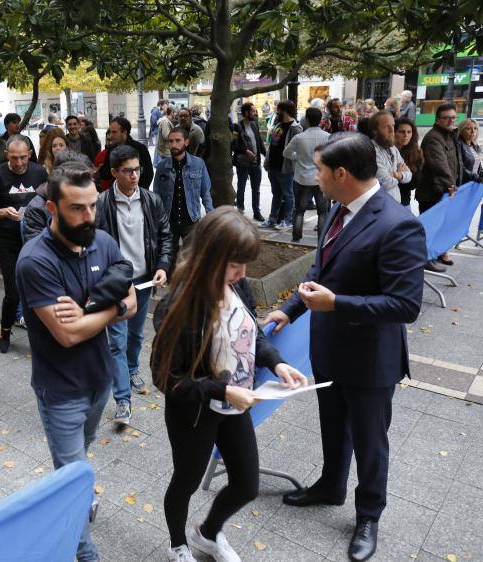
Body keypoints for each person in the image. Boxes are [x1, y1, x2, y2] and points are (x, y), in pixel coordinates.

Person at [264, 133, 426, 562]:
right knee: (333, 425)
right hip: (330, 349)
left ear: (341, 174)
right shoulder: (338, 209)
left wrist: (337, 304)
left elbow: (406, 305)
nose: (313, 177)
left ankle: (368, 514)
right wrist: (291, 309)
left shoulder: (398, 224)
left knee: (371, 442)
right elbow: (322, 271)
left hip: (372, 359)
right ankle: (330, 486)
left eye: (318, 169)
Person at [152, 207, 307, 562]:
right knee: (187, 482)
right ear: (211, 256)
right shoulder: (178, 305)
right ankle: (178, 544)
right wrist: (222, 390)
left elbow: (250, 335)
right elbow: (168, 379)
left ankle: (207, 534)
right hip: (194, 413)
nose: (243, 274)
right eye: (236, 264)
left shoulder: (237, 285)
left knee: (246, 485)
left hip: (234, 406)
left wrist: (277, 363)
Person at [16, 162, 137, 562]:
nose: (89, 217)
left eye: (92, 206)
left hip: (100, 381)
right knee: (71, 480)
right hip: (62, 393)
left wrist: (93, 313)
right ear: (52, 208)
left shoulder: (100, 240)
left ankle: (75, 498)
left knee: (78, 459)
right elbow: (67, 334)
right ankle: (85, 552)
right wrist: (112, 309)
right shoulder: (36, 261)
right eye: (77, 209)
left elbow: (132, 297)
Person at [97, 144, 172, 424]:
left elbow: (165, 235)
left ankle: (131, 368)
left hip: (143, 281)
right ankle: (123, 400)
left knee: (137, 335)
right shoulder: (102, 203)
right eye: (127, 171)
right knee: (116, 340)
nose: (134, 175)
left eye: (137, 169)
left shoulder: (151, 201)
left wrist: (163, 266)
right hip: (116, 284)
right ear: (114, 172)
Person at [0, 134, 48, 352]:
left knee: (39, 287)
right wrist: (3, 212)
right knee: (14, 290)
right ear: (6, 155)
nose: (19, 163)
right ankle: (6, 329)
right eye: (14, 158)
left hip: (34, 239)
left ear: (29, 154)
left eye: (23, 158)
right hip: (6, 240)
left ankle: (41, 330)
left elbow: (50, 202)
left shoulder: (39, 172)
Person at [154, 127, 214, 271]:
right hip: (170, 221)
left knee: (190, 257)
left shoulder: (198, 164)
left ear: (186, 142)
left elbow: (205, 193)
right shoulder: (162, 166)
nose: (173, 145)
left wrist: (211, 216)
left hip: (191, 220)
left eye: (178, 141)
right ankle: (169, 282)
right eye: (171, 141)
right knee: (169, 255)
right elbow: (156, 194)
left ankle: (187, 285)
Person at [418, 103, 461, 272]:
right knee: (429, 228)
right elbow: (440, 165)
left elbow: (456, 162)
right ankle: (424, 259)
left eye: (453, 117)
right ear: (438, 119)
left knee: (441, 225)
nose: (451, 120)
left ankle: (435, 255)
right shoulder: (434, 137)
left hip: (442, 190)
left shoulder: (449, 135)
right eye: (446, 118)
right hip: (432, 192)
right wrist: (450, 184)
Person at [22, 150, 93, 243]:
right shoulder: (37, 208)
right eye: (79, 180)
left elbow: (102, 243)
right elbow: (36, 250)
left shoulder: (92, 201)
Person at [283, 107, 331, 242]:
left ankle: (296, 236)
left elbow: (286, 153)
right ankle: (321, 238)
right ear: (320, 120)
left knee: (299, 210)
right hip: (321, 178)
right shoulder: (327, 137)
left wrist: (297, 157)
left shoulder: (299, 138)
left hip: (302, 178)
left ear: (307, 120)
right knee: (322, 211)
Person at [261, 100, 301, 230]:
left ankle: (287, 220)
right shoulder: (277, 124)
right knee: (276, 194)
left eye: (278, 109)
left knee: (288, 195)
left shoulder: (295, 127)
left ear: (284, 111)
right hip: (273, 167)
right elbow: (271, 146)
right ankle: (272, 219)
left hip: (285, 168)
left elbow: (298, 149)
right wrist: (267, 161)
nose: (276, 112)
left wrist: (292, 162)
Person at [231, 102, 266, 221]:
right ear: (245, 112)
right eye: (252, 111)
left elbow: (260, 142)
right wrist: (246, 151)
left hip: (256, 163)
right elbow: (234, 145)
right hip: (243, 163)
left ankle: (257, 212)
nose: (254, 113)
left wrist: (266, 156)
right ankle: (240, 211)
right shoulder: (237, 126)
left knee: (256, 189)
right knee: (241, 187)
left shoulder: (254, 124)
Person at [98, 117, 154, 190]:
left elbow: (148, 174)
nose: (111, 135)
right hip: (117, 195)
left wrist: (138, 193)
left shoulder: (140, 148)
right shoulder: (111, 149)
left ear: (124, 132)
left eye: (114, 132)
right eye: (110, 132)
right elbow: (106, 175)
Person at [370, 111, 411, 203]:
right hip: (379, 207)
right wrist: (399, 173)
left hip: (394, 205)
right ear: (375, 130)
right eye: (386, 127)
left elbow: (409, 175)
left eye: (392, 125)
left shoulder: (393, 148)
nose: (392, 130)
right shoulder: (371, 151)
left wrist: (397, 174)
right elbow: (385, 183)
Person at [394, 118, 422, 206]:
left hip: (404, 201)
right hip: (386, 201)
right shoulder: (386, 151)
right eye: (402, 132)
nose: (406, 135)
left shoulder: (416, 152)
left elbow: (414, 183)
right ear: (394, 132)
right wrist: (401, 175)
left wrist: (399, 176)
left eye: (409, 132)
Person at [457, 118, 482, 184]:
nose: (473, 131)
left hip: (474, 181)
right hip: (464, 182)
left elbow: (478, 164)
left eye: (475, 128)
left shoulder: (475, 145)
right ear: (461, 131)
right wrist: (476, 178)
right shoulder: (458, 145)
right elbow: (460, 167)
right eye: (468, 129)